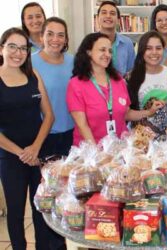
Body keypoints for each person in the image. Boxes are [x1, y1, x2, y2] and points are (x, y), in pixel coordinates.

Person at [0, 27, 54, 250]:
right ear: (1, 48)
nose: (18, 52)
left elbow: (49, 115)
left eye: (23, 48)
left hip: (38, 151)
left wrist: (35, 148)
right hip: (11, 157)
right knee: (15, 211)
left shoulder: (33, 75)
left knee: (40, 208)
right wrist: (23, 153)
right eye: (12, 46)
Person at [66, 33, 157, 146]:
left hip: (119, 149)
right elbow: (82, 125)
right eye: (102, 50)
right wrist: (97, 154)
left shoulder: (118, 80)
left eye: (110, 51)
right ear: (88, 52)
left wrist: (149, 112)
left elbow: (126, 114)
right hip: (90, 152)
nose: (107, 54)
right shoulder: (76, 84)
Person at [32, 17, 74, 158]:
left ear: (66, 39)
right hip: (42, 135)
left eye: (60, 35)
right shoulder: (29, 63)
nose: (55, 39)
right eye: (50, 34)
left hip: (72, 131)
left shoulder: (73, 61)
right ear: (41, 37)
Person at [127, 31, 167, 127]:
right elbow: (126, 114)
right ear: (142, 51)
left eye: (158, 48)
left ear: (164, 50)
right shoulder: (130, 77)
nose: (154, 52)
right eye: (148, 48)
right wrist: (149, 112)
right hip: (141, 136)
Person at [97, 0, 135, 76]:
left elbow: (131, 70)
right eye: (104, 13)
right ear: (97, 18)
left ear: (118, 20)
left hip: (121, 86)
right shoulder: (90, 42)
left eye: (112, 13)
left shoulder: (127, 43)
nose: (108, 16)